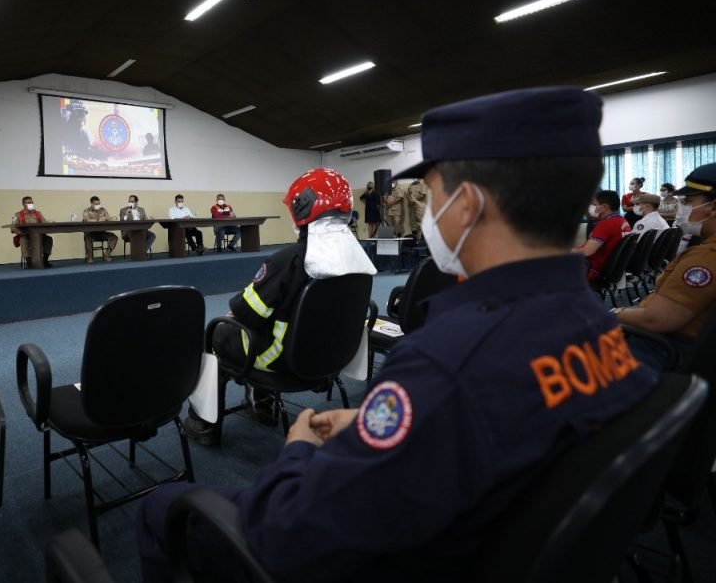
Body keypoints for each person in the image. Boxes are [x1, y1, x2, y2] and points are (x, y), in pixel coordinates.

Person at [138, 87, 657, 583]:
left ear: (468, 204)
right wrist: (377, 422)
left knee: (161, 509)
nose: (426, 211)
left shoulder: (446, 359)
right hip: (486, 542)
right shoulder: (597, 324)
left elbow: (287, 537)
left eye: (431, 193)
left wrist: (297, 450)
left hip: (387, 558)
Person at [181, 168, 375, 446]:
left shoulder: (289, 259)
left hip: (283, 360)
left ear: (302, 207)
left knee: (214, 335)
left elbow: (246, 311)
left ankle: (204, 423)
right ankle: (261, 405)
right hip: (331, 358)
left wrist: (229, 318)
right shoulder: (359, 257)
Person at [616, 163, 716, 370]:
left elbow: (657, 320)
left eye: (688, 201)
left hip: (664, 348)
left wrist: (612, 312)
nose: (681, 208)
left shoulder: (707, 256)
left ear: (713, 207)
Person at [574, 189, 630, 287]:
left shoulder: (606, 224)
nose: (590, 207)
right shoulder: (623, 221)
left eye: (594, 204)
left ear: (603, 207)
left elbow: (587, 251)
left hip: (591, 270)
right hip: (607, 269)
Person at [11, 196, 53, 268]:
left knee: (48, 239)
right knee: (23, 240)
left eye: (32, 202)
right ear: (24, 205)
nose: (31, 204)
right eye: (29, 203)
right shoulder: (17, 215)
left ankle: (44, 260)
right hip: (26, 235)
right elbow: (13, 228)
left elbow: (44, 222)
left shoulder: (38, 213)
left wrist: (51, 223)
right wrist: (22, 233)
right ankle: (29, 262)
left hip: (39, 235)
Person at [82, 195, 117, 263]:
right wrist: (98, 219)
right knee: (87, 238)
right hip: (91, 233)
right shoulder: (87, 211)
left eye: (99, 203)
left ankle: (106, 254)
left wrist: (106, 219)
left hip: (101, 232)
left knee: (114, 237)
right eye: (96, 204)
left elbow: (109, 218)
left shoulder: (103, 210)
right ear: (92, 204)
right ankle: (89, 257)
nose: (98, 205)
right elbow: (87, 220)